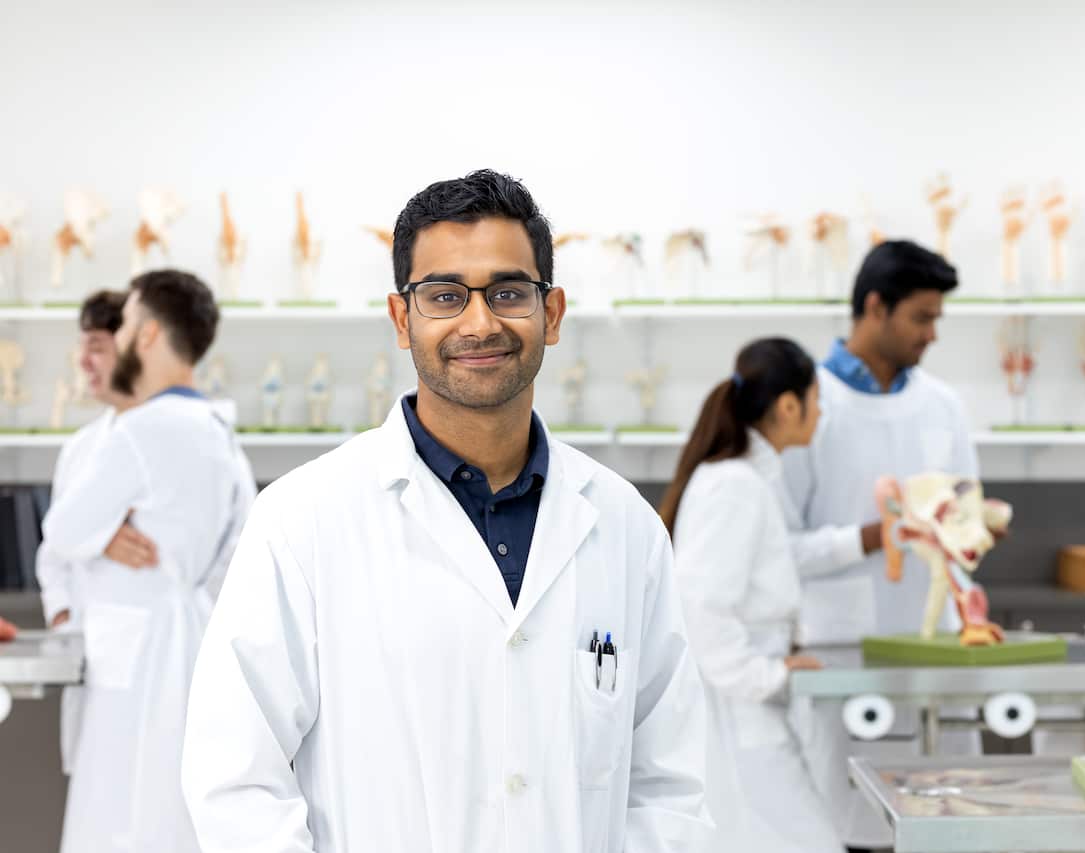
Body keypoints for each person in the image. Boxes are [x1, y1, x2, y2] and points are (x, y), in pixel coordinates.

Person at [181, 170, 710, 852]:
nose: (480, 321)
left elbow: (668, 780)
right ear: (404, 320)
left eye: (510, 291)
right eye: (445, 295)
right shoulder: (301, 520)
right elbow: (236, 780)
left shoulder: (626, 526)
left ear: (552, 314)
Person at [40, 270, 255, 853]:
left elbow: (61, 528)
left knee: (121, 816)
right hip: (188, 648)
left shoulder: (142, 430)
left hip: (138, 662)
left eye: (129, 324)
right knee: (167, 813)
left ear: (150, 335)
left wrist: (101, 530)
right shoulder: (218, 430)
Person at [780, 239, 977, 847]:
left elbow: (967, 524)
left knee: (947, 824)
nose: (932, 334)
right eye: (922, 317)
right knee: (847, 827)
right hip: (841, 655)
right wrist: (871, 537)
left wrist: (973, 532)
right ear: (875, 307)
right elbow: (779, 551)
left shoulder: (943, 406)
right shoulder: (808, 405)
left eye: (937, 319)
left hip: (939, 651)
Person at [660, 337, 843, 853]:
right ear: (789, 405)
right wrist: (769, 676)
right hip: (737, 716)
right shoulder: (735, 485)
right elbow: (701, 607)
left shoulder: (745, 479)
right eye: (816, 399)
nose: (820, 412)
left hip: (746, 711)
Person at [34, 290, 158, 777]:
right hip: (88, 658)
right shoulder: (82, 448)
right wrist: (64, 616)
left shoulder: (173, 435)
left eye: (98, 347)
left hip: (155, 664)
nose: (84, 361)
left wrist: (90, 535)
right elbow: (52, 553)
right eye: (82, 347)